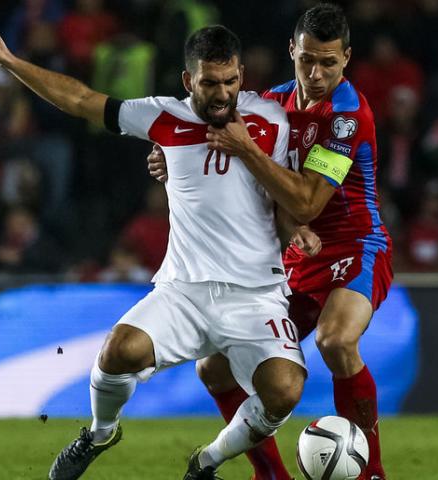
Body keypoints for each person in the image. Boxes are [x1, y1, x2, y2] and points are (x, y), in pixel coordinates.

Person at [0, 23, 317, 480]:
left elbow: (284, 195)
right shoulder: (162, 118)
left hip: (255, 293)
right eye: (210, 83)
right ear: (189, 80)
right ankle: (100, 432)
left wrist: (298, 230)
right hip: (183, 291)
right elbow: (80, 100)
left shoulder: (272, 120)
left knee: (285, 390)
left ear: (241, 75)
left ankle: (206, 461)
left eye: (231, 81)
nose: (222, 93)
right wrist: (11, 63)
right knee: (118, 351)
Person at [149, 4, 392, 479]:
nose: (316, 74)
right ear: (291, 52)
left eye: (329, 63)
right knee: (213, 370)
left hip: (353, 248)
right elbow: (201, 130)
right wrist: (164, 157)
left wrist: (244, 148)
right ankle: (271, 474)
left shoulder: (348, 116)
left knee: (336, 340)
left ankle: (372, 474)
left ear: (346, 58)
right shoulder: (268, 103)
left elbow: (305, 204)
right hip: (292, 256)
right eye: (307, 61)